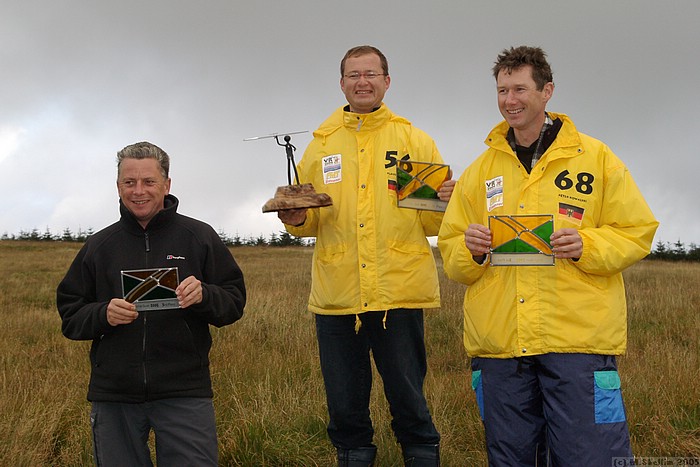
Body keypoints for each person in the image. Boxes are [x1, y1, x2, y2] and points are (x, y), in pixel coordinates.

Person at [437, 46, 658, 465]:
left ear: (547, 91)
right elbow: (451, 252)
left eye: (520, 88)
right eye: (502, 90)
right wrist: (472, 250)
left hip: (576, 342)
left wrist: (586, 245)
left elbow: (637, 230)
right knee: (511, 458)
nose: (510, 100)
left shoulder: (596, 159)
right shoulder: (480, 171)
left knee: (590, 456)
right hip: (501, 346)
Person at [278, 45, 455, 467]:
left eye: (371, 74)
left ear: (387, 81)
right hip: (337, 296)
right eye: (354, 74)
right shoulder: (321, 145)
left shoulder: (414, 139)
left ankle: (421, 455)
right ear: (341, 83)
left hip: (400, 292)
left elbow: (434, 226)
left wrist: (446, 201)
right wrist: (295, 218)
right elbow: (307, 221)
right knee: (344, 405)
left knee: (409, 399)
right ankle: (354, 456)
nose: (362, 81)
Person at [57, 141, 246, 466]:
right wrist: (103, 314)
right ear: (118, 186)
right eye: (129, 183)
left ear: (167, 185)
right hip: (115, 394)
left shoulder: (198, 236)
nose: (138, 191)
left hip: (184, 389)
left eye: (148, 182)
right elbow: (70, 315)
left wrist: (205, 295)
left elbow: (234, 300)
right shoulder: (99, 246)